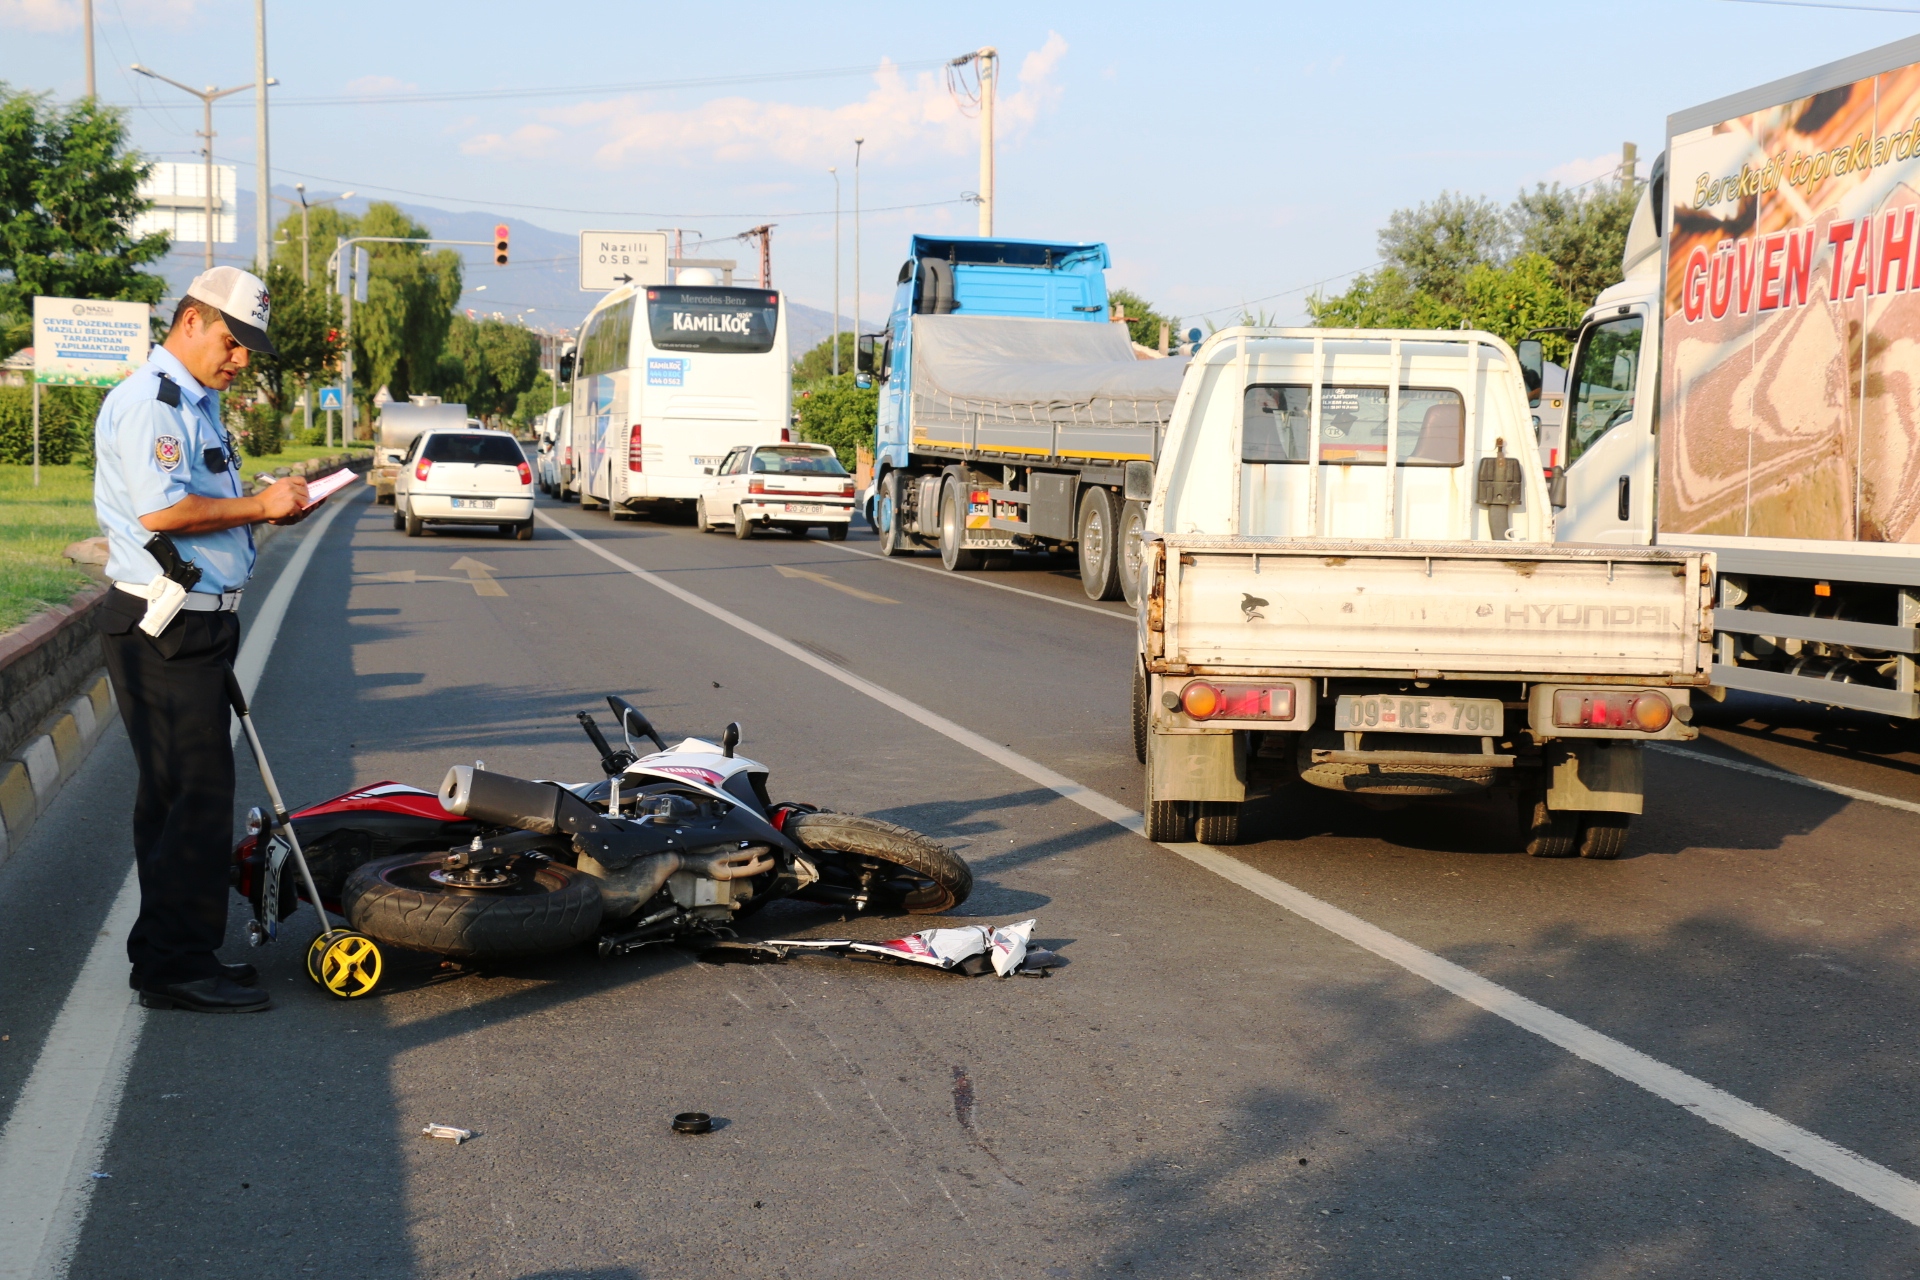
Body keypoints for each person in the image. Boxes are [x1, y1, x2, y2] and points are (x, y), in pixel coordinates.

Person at [94, 266, 311, 1013]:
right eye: (231, 339)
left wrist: (261, 508)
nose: (240, 357)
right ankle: (179, 966)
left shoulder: (195, 401)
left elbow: (203, 501)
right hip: (168, 625)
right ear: (190, 321)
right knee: (194, 796)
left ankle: (161, 951)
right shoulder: (154, 404)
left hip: (193, 621)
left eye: (248, 345)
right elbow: (163, 512)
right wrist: (258, 504)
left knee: (176, 794)